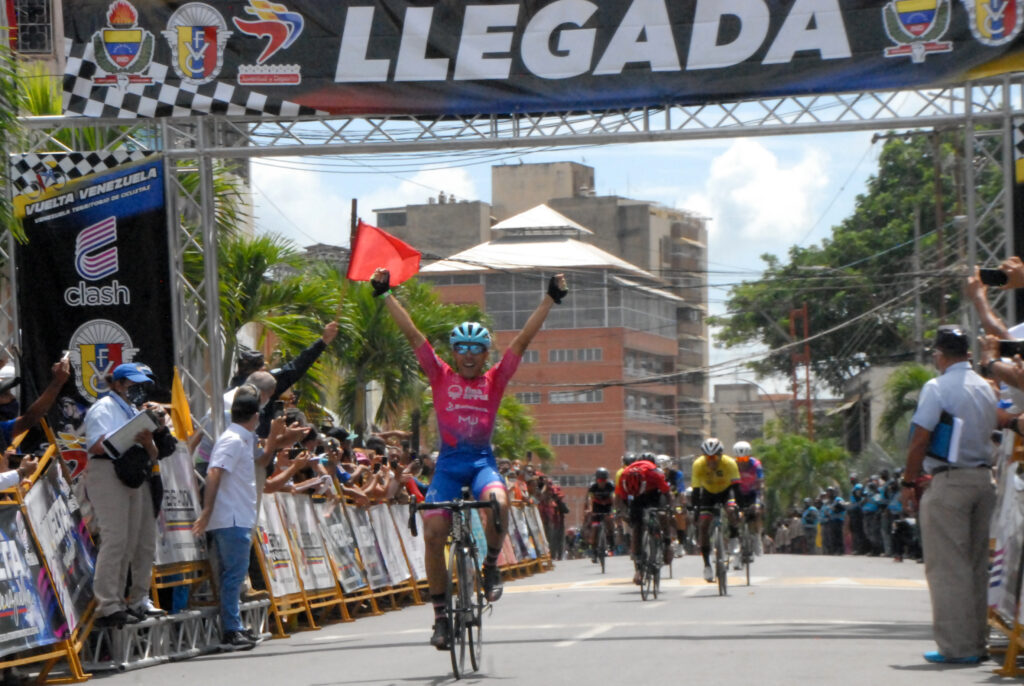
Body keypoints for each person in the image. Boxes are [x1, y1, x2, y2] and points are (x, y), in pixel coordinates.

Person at [372, 266, 568, 650]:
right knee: (432, 533)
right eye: (460, 348)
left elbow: (524, 341)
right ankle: (441, 618)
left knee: (498, 502)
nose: (467, 355)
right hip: (447, 466)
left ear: (485, 354)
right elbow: (413, 334)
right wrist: (383, 294)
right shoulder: (440, 374)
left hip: (480, 463)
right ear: (452, 353)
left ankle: (491, 566)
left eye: (476, 349)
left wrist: (550, 298)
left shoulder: (495, 379)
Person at [901, 324, 1013, 665]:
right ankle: (977, 642)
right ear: (967, 352)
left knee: (948, 568)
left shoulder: (936, 387)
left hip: (949, 482)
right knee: (978, 565)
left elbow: (921, 439)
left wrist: (908, 483)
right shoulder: (986, 387)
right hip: (984, 480)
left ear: (938, 354)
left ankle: (957, 647)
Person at [83, 362, 163, 627]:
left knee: (130, 541)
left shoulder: (132, 409)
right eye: (131, 383)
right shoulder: (104, 407)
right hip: (107, 471)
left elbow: (153, 450)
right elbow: (96, 444)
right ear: (117, 383)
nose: (136, 388)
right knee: (115, 538)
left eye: (140, 383)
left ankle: (121, 601)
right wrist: (130, 438)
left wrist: (152, 435)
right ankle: (107, 605)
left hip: (131, 473)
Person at [192, 385, 264, 651]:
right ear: (255, 416)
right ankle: (231, 630)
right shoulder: (233, 439)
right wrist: (208, 510)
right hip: (230, 517)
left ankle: (235, 626)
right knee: (233, 575)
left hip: (237, 515)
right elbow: (214, 472)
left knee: (233, 574)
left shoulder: (241, 438)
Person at [614, 452, 673, 584]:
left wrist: (669, 508)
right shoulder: (626, 475)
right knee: (640, 524)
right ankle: (640, 566)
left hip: (651, 494)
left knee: (653, 518)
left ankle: (666, 545)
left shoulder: (653, 473)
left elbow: (666, 492)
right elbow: (619, 498)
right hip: (637, 496)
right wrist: (622, 512)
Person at [691, 438, 741, 581]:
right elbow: (695, 491)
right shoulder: (698, 465)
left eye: (714, 457)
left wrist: (740, 507)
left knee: (732, 511)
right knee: (703, 526)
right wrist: (696, 511)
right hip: (708, 494)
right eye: (708, 457)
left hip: (726, 492)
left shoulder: (730, 463)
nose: (711, 461)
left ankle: (733, 538)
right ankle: (707, 565)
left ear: (720, 456)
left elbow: (737, 488)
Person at [732, 441, 764, 557]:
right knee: (733, 513)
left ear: (749, 456)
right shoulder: (732, 466)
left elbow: (761, 483)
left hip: (752, 493)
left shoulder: (756, 465)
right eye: (739, 460)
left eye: (745, 459)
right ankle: (736, 538)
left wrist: (759, 501)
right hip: (738, 494)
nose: (742, 462)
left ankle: (757, 536)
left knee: (756, 512)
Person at [584, 467, 615, 562]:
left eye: (604, 480)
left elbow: (614, 498)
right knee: (594, 529)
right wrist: (589, 509)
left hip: (607, 506)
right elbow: (589, 499)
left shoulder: (610, 486)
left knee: (610, 523)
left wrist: (614, 510)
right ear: (597, 480)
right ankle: (594, 551)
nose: (602, 482)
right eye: (600, 480)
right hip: (596, 507)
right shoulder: (593, 487)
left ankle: (610, 544)